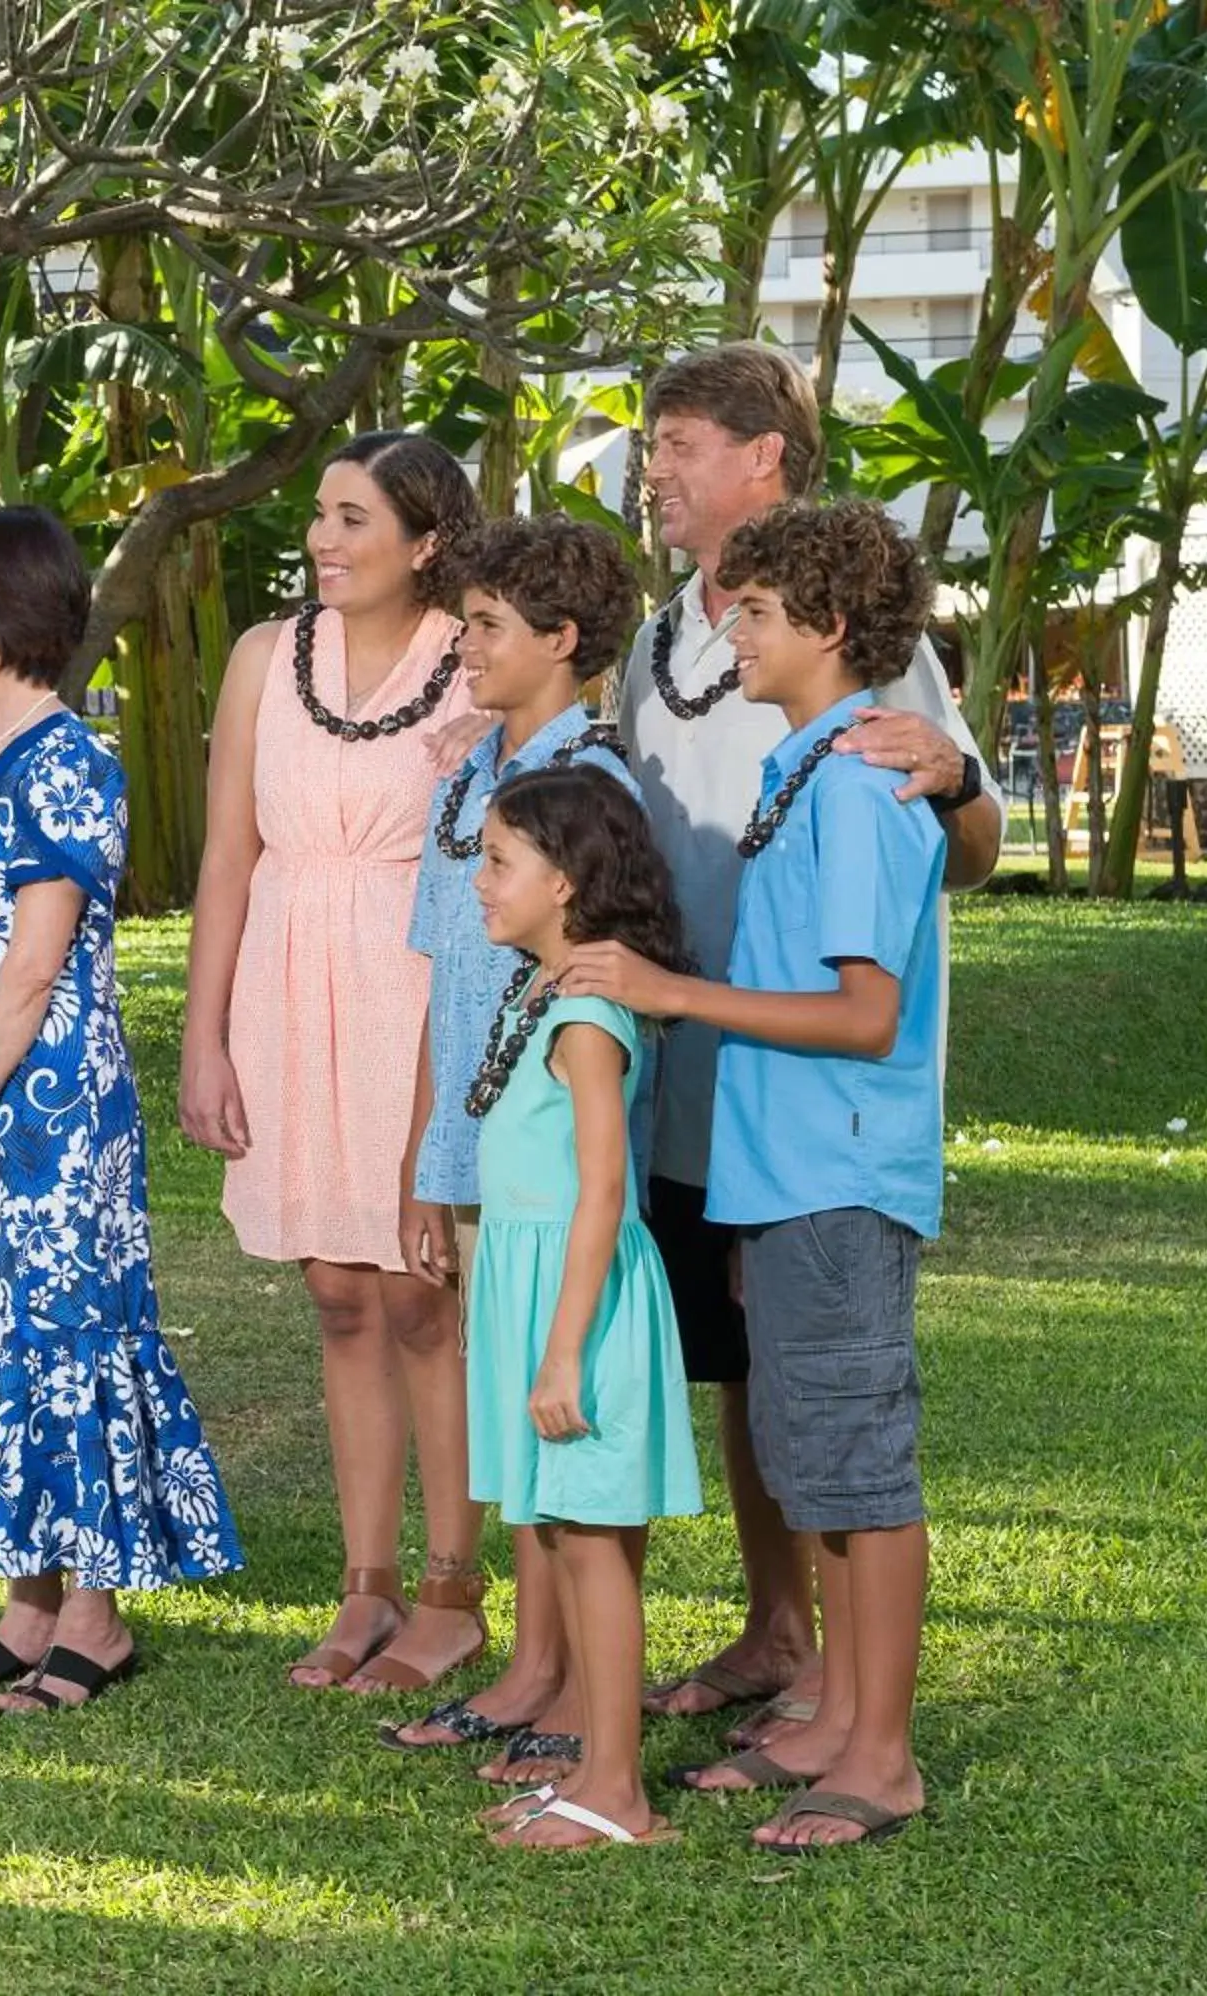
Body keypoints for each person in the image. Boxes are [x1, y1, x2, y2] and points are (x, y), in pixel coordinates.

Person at [615, 344, 997, 1732]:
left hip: (819, 1096)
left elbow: (965, 848)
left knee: (830, 1397)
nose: (650, 470)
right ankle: (780, 1637)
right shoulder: (655, 648)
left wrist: (952, 780)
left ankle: (855, 1704)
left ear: (760, 454)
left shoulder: (861, 663)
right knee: (743, 1366)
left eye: (675, 444)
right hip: (695, 1092)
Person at [565, 500, 947, 1850]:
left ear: (832, 630)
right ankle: (841, 1721)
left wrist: (675, 989)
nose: (732, 625)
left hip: (840, 1178)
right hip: (782, 1179)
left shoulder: (857, 787)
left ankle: (882, 1758)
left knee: (858, 1470)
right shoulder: (806, 772)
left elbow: (862, 1015)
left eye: (764, 612)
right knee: (808, 1456)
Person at [0, 506, 242, 1712]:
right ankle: (26, 1603)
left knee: (66, 1336)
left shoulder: (71, 762)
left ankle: (94, 1615)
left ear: (16, 612)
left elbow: (33, 968)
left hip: (53, 1118)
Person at [184, 431, 488, 1693]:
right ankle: (365, 1585)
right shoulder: (265, 656)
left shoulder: (469, 658)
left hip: (412, 988)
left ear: (425, 543)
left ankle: (454, 1588)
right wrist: (204, 1036)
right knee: (338, 1293)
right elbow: (224, 858)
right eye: (318, 515)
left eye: (354, 519)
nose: (322, 539)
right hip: (287, 987)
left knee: (422, 1291)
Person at [379, 518, 644, 1776]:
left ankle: (563, 1682)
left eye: (486, 626)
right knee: (508, 1419)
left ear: (562, 642)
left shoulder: (592, 789)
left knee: (555, 1427)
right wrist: (427, 1159)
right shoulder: (462, 776)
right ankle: (536, 1668)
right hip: (475, 1142)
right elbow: (447, 980)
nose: (463, 644)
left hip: (548, 1149)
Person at [459, 765, 702, 1849]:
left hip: (581, 1304)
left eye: (500, 859)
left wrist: (561, 1354)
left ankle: (619, 1793)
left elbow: (603, 1185)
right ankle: (596, 1769)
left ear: (566, 883)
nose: (479, 880)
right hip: (539, 1290)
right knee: (564, 1536)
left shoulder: (591, 1013)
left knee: (594, 1546)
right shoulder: (542, 991)